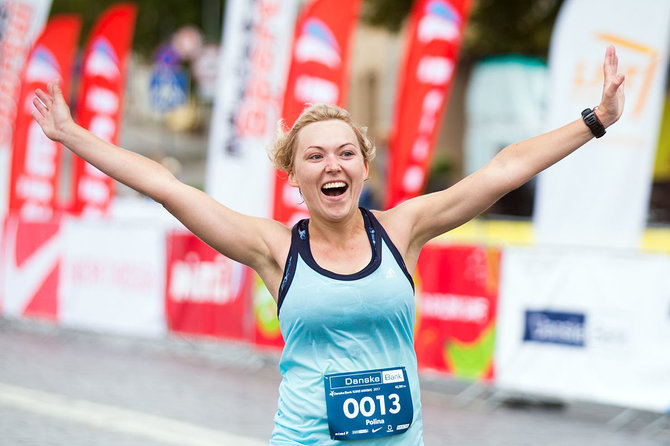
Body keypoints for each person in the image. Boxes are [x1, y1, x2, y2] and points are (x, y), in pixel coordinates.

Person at [32, 45, 625, 445]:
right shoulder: (272, 249)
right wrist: (71, 133)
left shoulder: (402, 229)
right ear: (294, 176)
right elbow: (166, 185)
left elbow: (501, 171)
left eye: (345, 153)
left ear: (364, 167)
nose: (331, 165)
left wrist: (594, 119)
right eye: (313, 156)